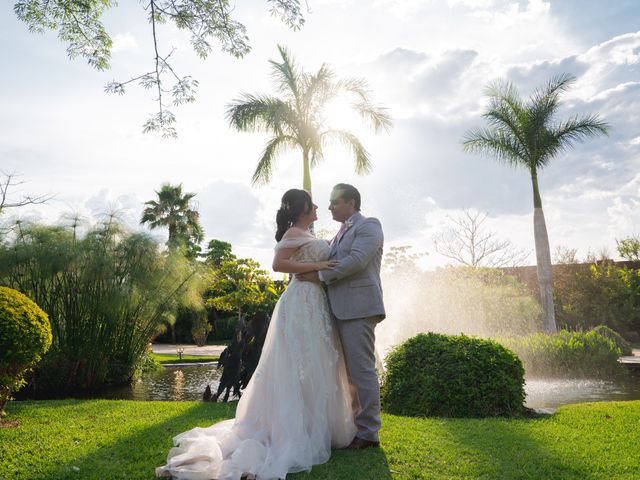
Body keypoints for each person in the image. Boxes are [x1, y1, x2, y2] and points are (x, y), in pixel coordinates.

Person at [156, 188, 356, 480]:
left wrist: (321, 269)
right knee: (295, 361)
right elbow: (279, 265)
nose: (317, 207)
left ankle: (316, 424)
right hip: (300, 302)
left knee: (316, 362)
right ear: (300, 208)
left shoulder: (308, 235)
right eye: (311, 204)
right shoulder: (292, 234)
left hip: (316, 304)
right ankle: (285, 430)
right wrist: (318, 265)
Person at [297, 183, 385, 449]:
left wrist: (319, 276)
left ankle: (369, 433)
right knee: (347, 374)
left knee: (361, 370)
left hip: (359, 308)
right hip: (337, 309)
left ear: (352, 203)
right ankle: (357, 428)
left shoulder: (369, 225)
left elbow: (357, 260)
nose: (330, 207)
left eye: (335, 202)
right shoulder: (338, 233)